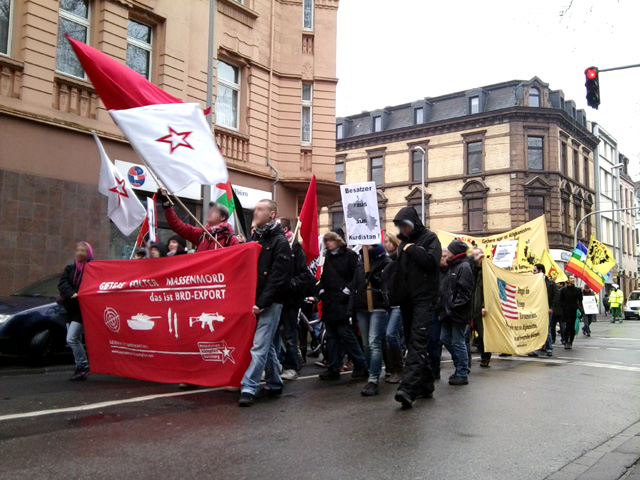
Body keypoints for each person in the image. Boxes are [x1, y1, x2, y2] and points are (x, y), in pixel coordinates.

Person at [239, 200, 292, 407]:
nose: (256, 212)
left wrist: (261, 302)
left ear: (272, 215)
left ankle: (249, 386)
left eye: (261, 209)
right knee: (267, 344)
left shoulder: (280, 241)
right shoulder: (256, 237)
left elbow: (278, 276)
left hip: (270, 301)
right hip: (257, 299)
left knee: (259, 345)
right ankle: (274, 382)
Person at [391, 207, 441, 408]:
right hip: (407, 299)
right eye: (400, 226)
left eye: (405, 225)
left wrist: (411, 248)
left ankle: (408, 388)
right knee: (412, 341)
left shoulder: (430, 239)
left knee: (417, 343)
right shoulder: (402, 243)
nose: (403, 229)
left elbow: (431, 262)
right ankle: (426, 384)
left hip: (424, 299)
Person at [317, 232, 368, 381]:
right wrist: (320, 289)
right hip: (329, 301)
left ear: (338, 241)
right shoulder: (328, 257)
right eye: (326, 241)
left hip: (342, 301)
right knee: (332, 336)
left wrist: (347, 290)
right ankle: (334, 366)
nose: (328, 243)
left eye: (330, 240)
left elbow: (357, 276)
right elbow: (325, 277)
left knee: (345, 334)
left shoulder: (350, 255)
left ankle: (360, 363)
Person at [276, 217, 315, 381]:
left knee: (290, 335)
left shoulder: (296, 249)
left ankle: (292, 367)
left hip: (290, 300)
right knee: (274, 334)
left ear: (285, 230)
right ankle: (279, 363)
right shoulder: (277, 246)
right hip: (276, 298)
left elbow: (305, 275)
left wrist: (289, 283)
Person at [351, 244, 391, 396]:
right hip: (362, 307)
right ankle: (370, 371)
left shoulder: (385, 262)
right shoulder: (360, 262)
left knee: (374, 342)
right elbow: (355, 285)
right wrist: (351, 308)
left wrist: (374, 278)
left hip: (378, 306)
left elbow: (387, 283)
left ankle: (373, 378)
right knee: (367, 344)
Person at [440, 240, 474, 386]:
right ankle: (461, 365)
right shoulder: (452, 267)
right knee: (445, 338)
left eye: (449, 250)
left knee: (458, 341)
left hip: (457, 312)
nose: (446, 253)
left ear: (455, 252)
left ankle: (462, 371)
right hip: (448, 312)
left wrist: (453, 307)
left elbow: (464, 293)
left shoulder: (463, 267)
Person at [58, 242, 93, 381]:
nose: (80, 253)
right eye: (78, 250)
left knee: (71, 338)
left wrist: (81, 294)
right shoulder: (70, 269)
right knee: (75, 339)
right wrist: (71, 293)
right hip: (70, 309)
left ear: (88, 253)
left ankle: (83, 366)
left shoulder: (92, 269)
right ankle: (80, 367)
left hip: (82, 310)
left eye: (83, 250)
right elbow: (62, 283)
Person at [158, 189, 239, 250]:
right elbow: (177, 226)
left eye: (214, 211)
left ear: (222, 217)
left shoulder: (230, 240)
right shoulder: (202, 234)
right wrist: (167, 205)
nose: (209, 213)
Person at [383, 232, 404, 384]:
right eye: (385, 241)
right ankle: (393, 367)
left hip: (399, 303)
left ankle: (398, 368)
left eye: (389, 241)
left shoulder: (401, 259)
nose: (387, 244)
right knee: (389, 335)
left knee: (391, 334)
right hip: (388, 303)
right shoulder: (386, 260)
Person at [529, 263, 559, 357]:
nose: (533, 272)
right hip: (537, 309)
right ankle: (538, 349)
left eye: (534, 270)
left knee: (546, 329)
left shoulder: (550, 283)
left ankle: (548, 348)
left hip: (547, 310)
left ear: (540, 271)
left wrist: (552, 308)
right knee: (537, 329)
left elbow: (556, 296)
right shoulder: (533, 282)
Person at [471, 247, 491, 368]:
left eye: (477, 255)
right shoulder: (469, 269)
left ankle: (485, 357)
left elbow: (490, 291)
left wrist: (484, 306)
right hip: (469, 308)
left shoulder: (487, 272)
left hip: (481, 309)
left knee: (484, 335)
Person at [559, 274, 583, 349]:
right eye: (571, 278)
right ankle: (566, 341)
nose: (573, 280)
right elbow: (561, 300)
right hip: (566, 311)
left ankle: (570, 342)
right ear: (568, 280)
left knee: (572, 327)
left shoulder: (577, 290)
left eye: (573, 278)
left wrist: (580, 309)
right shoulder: (563, 290)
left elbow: (580, 300)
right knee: (567, 327)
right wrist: (562, 309)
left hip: (574, 310)